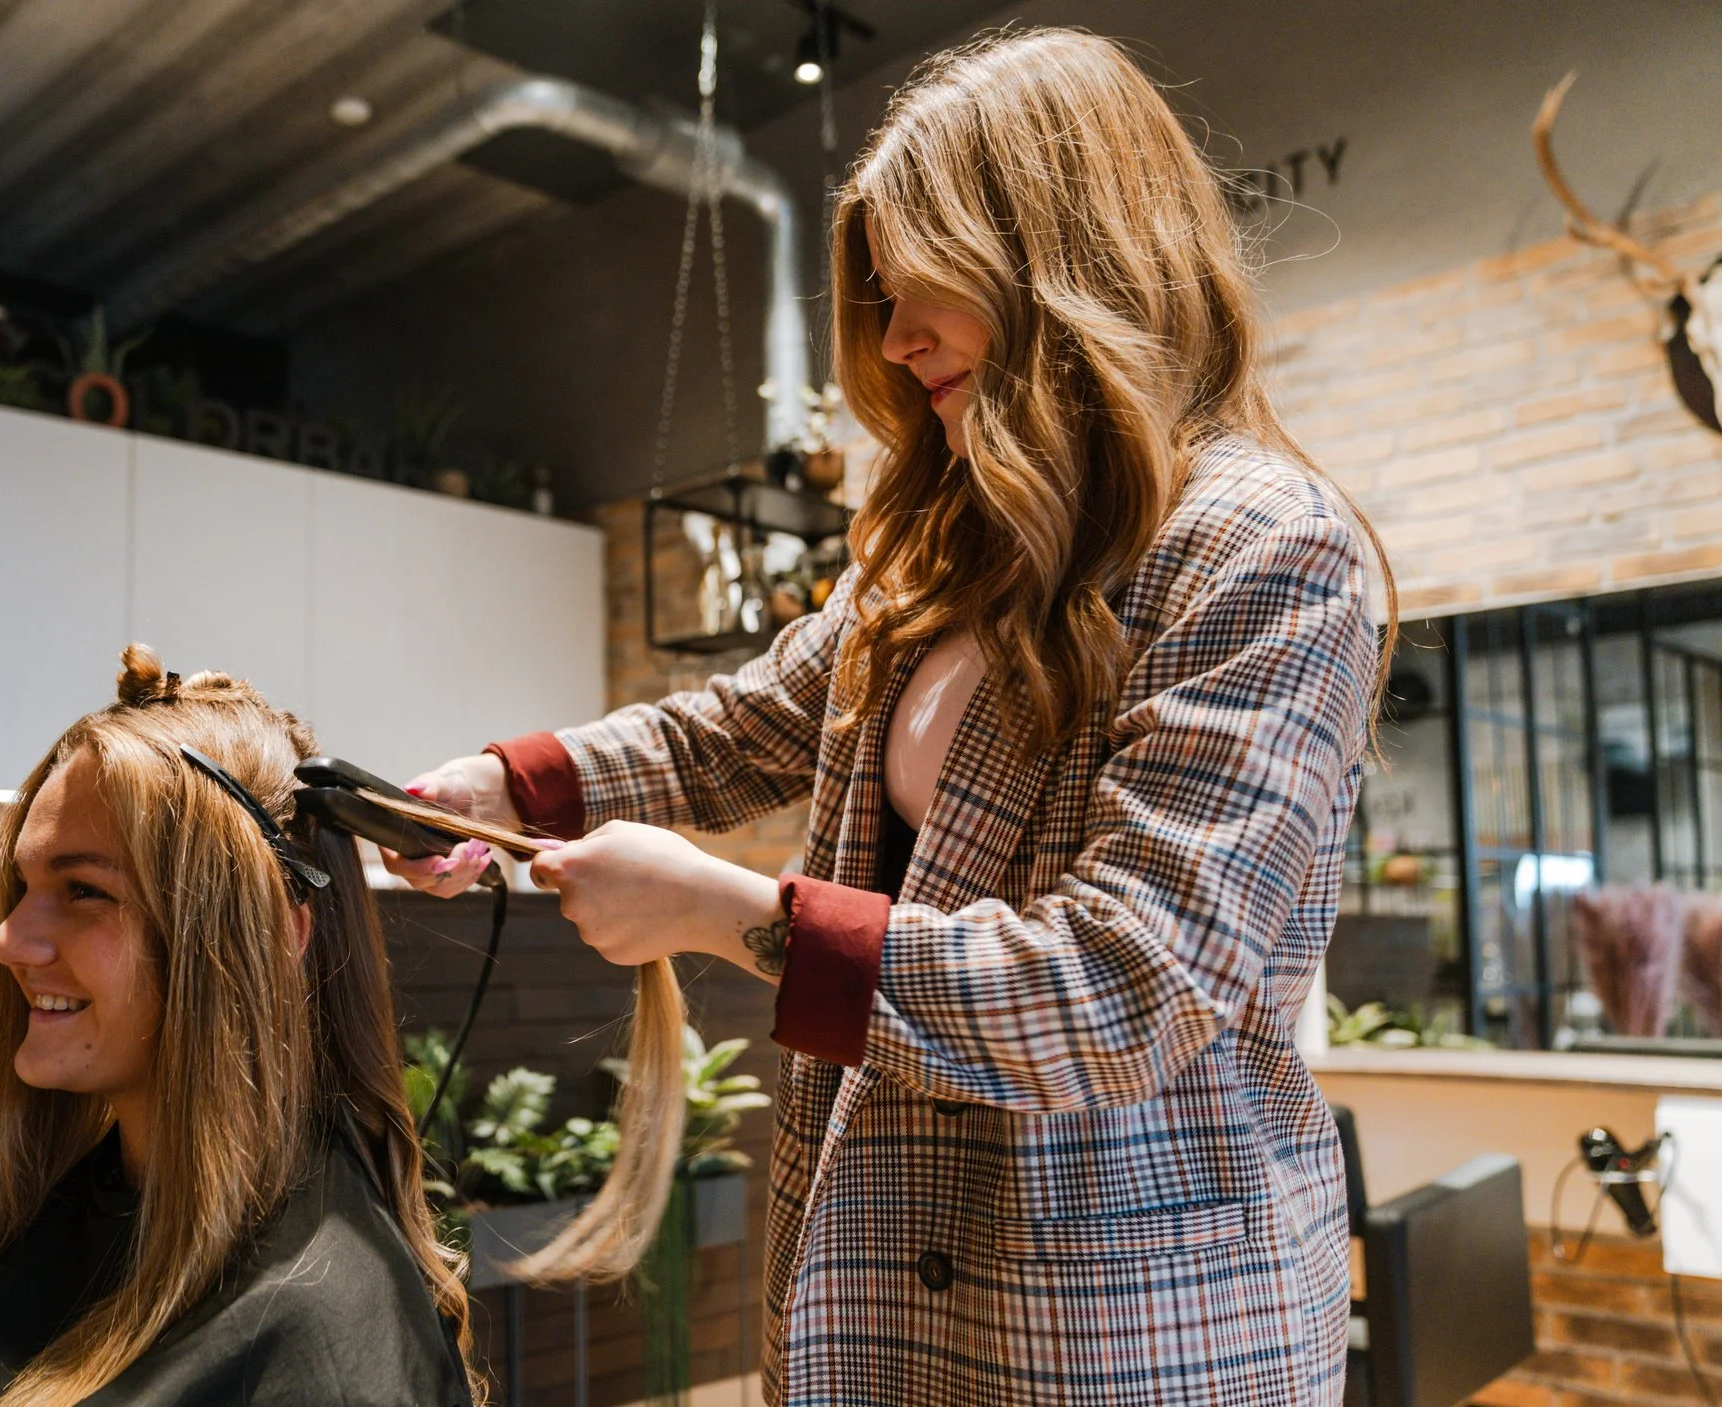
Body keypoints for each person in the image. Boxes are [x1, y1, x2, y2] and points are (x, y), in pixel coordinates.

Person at [392, 28, 1392, 1406]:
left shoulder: (1262, 549)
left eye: (932, 275)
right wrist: (511, 785)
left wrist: (728, 910)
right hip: (869, 1282)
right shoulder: (941, 549)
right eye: (880, 290)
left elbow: (1122, 985)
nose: (896, 331)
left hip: (1118, 1329)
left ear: (1063, 254)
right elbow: (736, 729)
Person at [0, 647, 475, 1407]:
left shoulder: (322, 1325)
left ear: (274, 934)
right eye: (24, 884)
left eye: (84, 889)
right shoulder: (23, 1211)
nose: (8, 941)